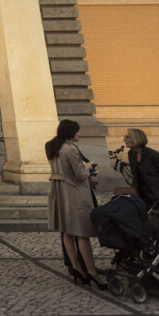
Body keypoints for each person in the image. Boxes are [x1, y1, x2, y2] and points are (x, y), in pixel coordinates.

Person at [45, 119, 105, 289]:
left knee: (67, 232)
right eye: (77, 131)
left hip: (59, 193)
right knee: (82, 234)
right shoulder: (70, 149)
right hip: (74, 193)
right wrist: (88, 166)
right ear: (71, 132)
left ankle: (77, 268)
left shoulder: (52, 146)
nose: (79, 134)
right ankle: (92, 271)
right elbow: (80, 175)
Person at [123, 128, 159, 207]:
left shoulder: (153, 155)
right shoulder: (131, 154)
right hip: (143, 196)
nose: (124, 139)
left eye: (127, 137)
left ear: (136, 138)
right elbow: (136, 176)